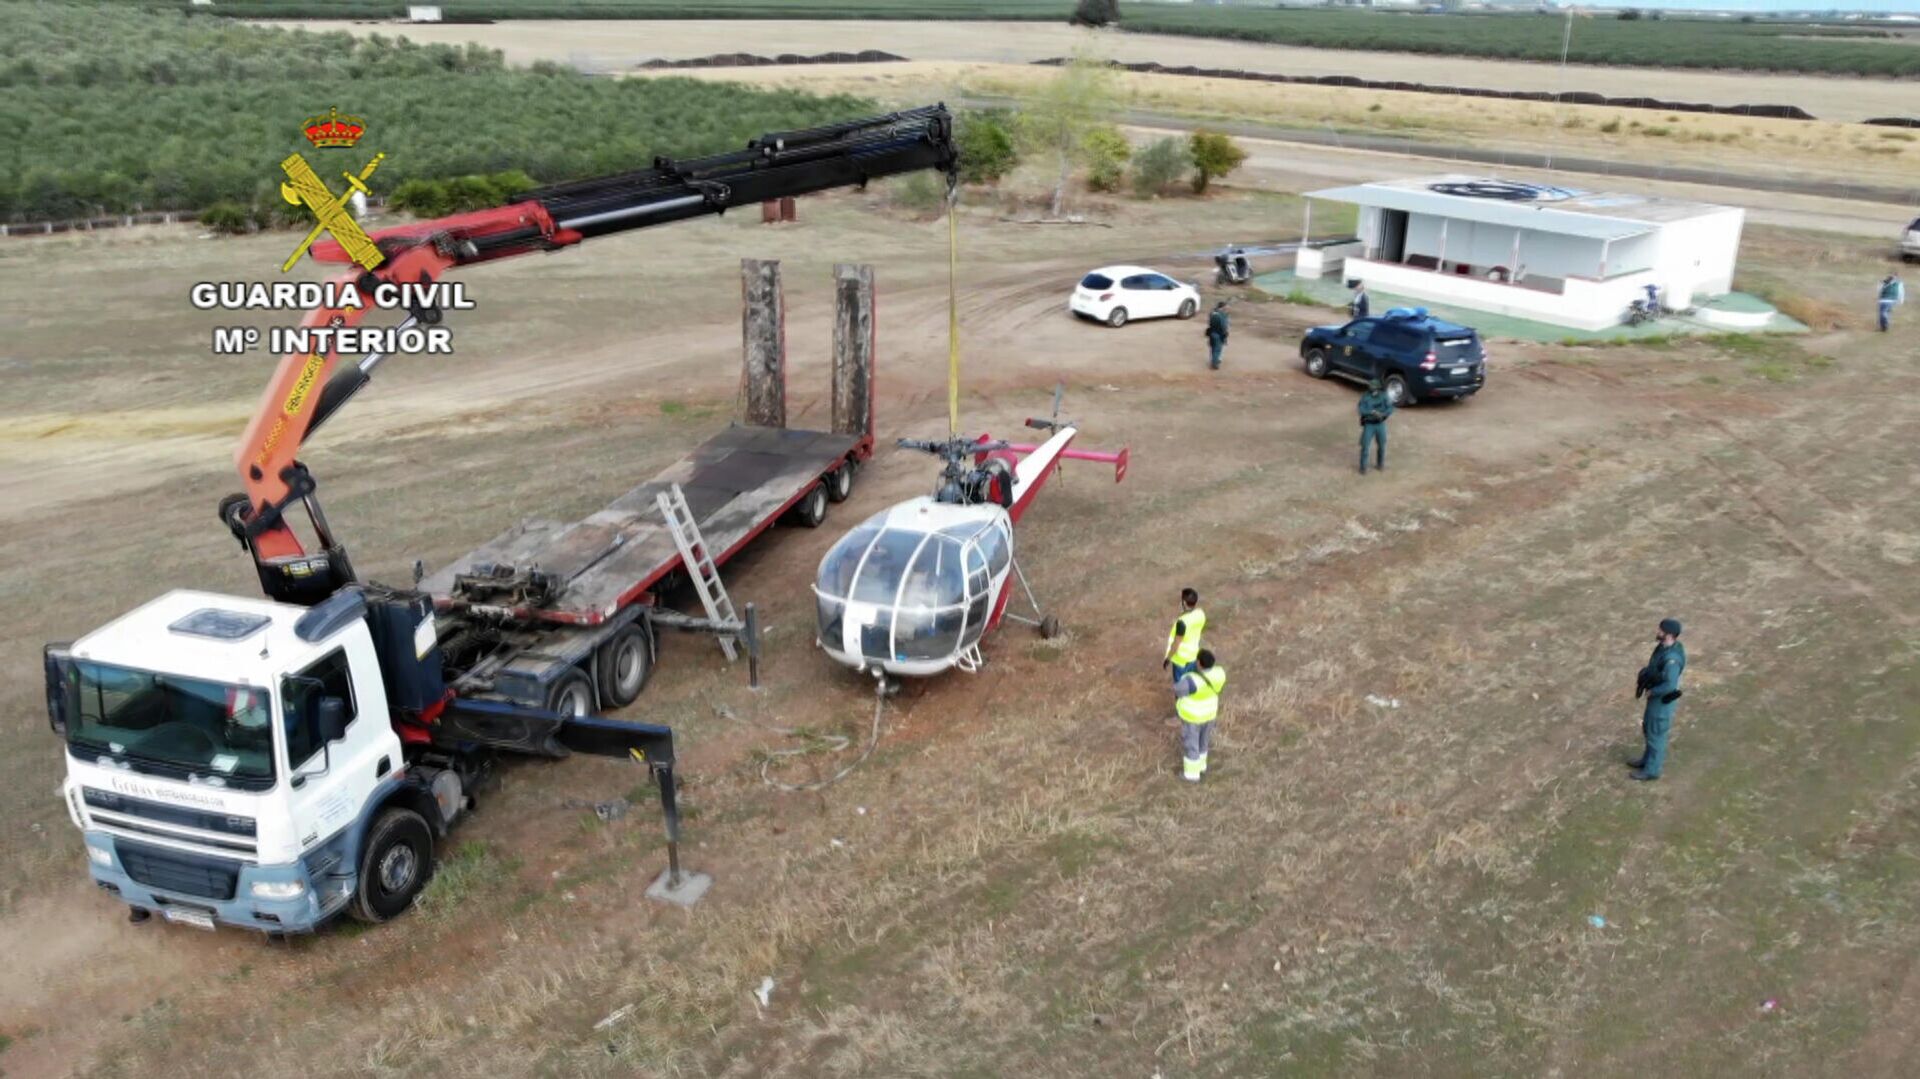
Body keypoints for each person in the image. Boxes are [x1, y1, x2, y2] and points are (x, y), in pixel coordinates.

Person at [1629, 618, 1688, 782]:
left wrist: (1653, 692)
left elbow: (1670, 684)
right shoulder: (1664, 648)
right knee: (1649, 728)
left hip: (1662, 702)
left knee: (1656, 734)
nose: (1658, 632)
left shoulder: (1672, 659)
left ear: (1669, 635)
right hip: (1657, 699)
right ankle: (1646, 761)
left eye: (1661, 630)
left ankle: (1652, 770)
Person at [1174, 649, 1227, 783]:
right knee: (1203, 741)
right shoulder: (1219, 673)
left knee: (1192, 744)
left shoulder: (1192, 680)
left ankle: (1192, 774)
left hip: (1193, 717)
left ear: (1199, 663)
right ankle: (1202, 766)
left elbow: (1178, 689)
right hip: (1210, 714)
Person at [1163, 587, 1206, 683]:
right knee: (1191, 683)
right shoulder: (1201, 614)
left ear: (1184, 603)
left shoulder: (1182, 622)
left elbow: (1176, 643)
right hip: (1193, 655)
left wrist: (1168, 658)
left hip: (1181, 660)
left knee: (1181, 688)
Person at [1357, 377, 1393, 474]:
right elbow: (1361, 410)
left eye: (1374, 388)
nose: (1372, 390)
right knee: (1365, 446)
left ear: (1378, 388)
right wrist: (1371, 412)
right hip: (1369, 424)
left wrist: (1383, 414)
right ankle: (1363, 467)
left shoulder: (1384, 396)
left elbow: (1390, 408)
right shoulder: (1365, 397)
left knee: (1382, 445)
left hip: (1380, 423)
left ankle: (1380, 464)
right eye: (1371, 387)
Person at [1205, 301, 1230, 370]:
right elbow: (1223, 326)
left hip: (1212, 333)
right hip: (1219, 334)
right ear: (1223, 307)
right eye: (1226, 307)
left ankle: (1214, 360)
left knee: (1213, 348)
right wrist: (1225, 334)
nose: (1227, 308)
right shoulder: (1221, 315)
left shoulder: (1213, 313)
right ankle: (1215, 363)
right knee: (1217, 349)